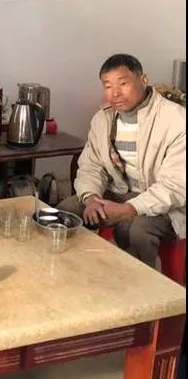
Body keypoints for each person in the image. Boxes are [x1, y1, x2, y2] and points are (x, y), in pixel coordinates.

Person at [57, 54, 185, 267]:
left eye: (123, 83)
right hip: (119, 192)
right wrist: (91, 198)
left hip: (167, 203)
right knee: (64, 213)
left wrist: (128, 209)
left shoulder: (176, 121)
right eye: (107, 86)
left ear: (143, 80)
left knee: (135, 230)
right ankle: (72, 272)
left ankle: (144, 284)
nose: (115, 93)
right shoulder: (103, 119)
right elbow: (91, 165)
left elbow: (175, 186)